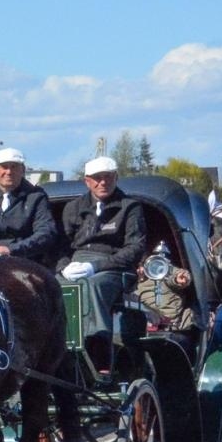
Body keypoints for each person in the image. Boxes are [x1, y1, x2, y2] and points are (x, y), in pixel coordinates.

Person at [58, 155, 148, 365]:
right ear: (87, 181)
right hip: (75, 263)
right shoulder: (73, 208)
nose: (103, 182)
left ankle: (99, 350)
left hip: (114, 266)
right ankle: (58, 347)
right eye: (97, 178)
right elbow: (61, 245)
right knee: (54, 287)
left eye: (108, 177)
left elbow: (135, 247)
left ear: (116, 178)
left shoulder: (129, 207)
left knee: (92, 285)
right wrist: (63, 267)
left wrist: (95, 266)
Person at [135, 242, 200, 342]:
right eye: (137, 267)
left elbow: (174, 276)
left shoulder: (160, 272)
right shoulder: (130, 284)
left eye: (142, 265)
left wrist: (179, 279)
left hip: (175, 330)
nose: (139, 270)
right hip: (144, 332)